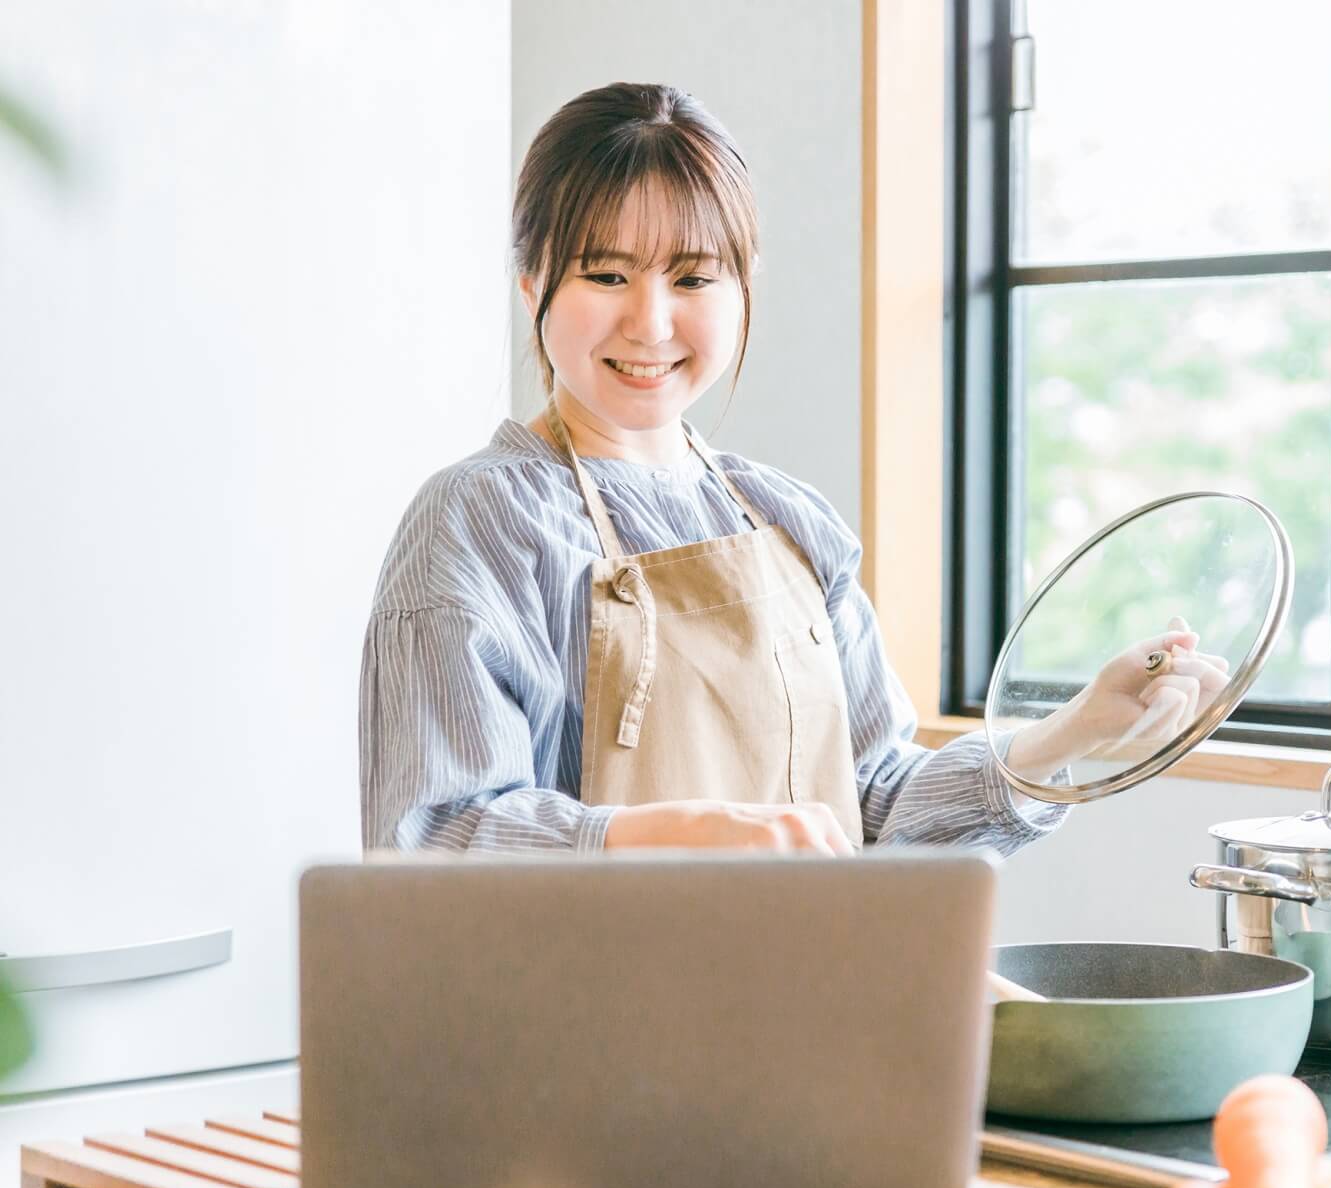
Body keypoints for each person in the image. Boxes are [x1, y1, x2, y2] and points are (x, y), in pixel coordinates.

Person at [359, 83, 1224, 857]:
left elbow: (872, 803)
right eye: (606, 273)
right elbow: (437, 837)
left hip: (800, 1016)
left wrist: (1071, 731)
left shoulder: (786, 519)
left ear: (744, 288)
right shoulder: (476, 524)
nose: (652, 323)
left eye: (694, 277)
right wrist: (680, 834)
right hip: (590, 1029)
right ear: (530, 279)